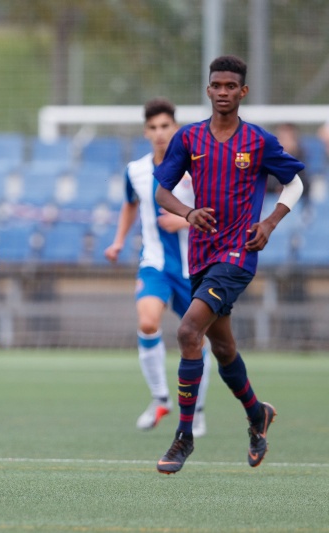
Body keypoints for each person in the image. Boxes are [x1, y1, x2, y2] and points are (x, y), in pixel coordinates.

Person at [153, 55, 304, 474]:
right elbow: (161, 192)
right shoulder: (190, 139)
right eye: (216, 85)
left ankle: (184, 437)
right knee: (222, 347)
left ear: (243, 92)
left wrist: (270, 223)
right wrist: (187, 213)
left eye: (230, 86)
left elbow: (295, 182)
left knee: (187, 330)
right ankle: (258, 415)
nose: (222, 92)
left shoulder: (258, 141)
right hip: (200, 253)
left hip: (238, 254)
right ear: (208, 90)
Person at [104, 98, 211, 438]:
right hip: (154, 263)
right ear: (146, 132)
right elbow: (130, 206)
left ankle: (196, 411)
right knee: (148, 322)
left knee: (197, 338)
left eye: (165, 126)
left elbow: (215, 208)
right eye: (153, 127)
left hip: (195, 266)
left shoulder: (196, 167)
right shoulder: (136, 170)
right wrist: (119, 241)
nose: (160, 132)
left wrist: (184, 221)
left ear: (175, 128)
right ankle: (161, 398)